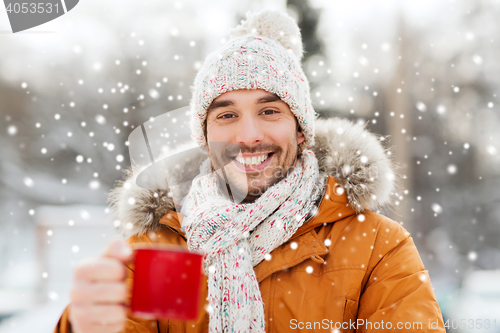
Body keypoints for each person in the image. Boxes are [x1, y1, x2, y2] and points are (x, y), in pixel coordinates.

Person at [54, 10, 446, 333]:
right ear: (204, 137)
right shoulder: (167, 249)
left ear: (301, 127)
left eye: (270, 111)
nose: (249, 136)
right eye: (226, 115)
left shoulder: (376, 246)